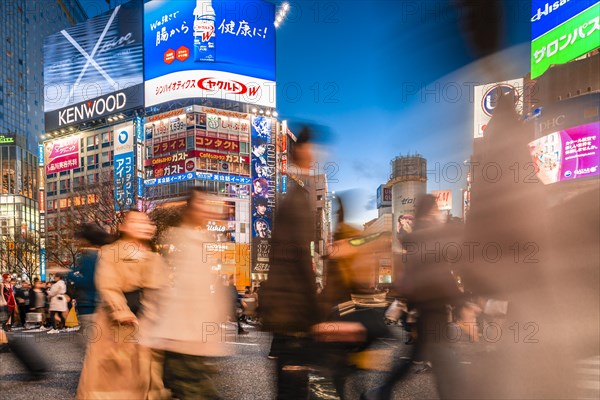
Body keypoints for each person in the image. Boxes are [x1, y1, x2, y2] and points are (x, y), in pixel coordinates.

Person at [142, 187, 234, 399]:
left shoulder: (200, 239)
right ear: (190, 208)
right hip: (180, 339)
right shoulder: (179, 242)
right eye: (202, 203)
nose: (208, 209)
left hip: (193, 341)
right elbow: (170, 291)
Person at [77, 210, 168, 400]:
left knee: (146, 377)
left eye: (147, 222)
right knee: (114, 380)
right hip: (116, 325)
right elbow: (108, 285)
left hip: (146, 324)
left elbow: (160, 292)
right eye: (136, 222)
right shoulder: (111, 251)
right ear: (123, 227)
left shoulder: (154, 257)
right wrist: (122, 311)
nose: (144, 226)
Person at [260, 126, 320, 399]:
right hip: (292, 305)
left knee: (290, 384)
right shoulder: (297, 198)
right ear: (302, 153)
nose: (316, 155)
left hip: (286, 305)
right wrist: (314, 307)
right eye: (312, 149)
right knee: (294, 387)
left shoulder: (294, 196)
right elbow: (300, 257)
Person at [67, 223, 113, 349]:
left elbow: (87, 281)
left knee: (90, 348)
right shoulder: (104, 255)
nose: (77, 243)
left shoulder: (88, 257)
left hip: (88, 305)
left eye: (79, 239)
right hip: (101, 304)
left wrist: (70, 275)